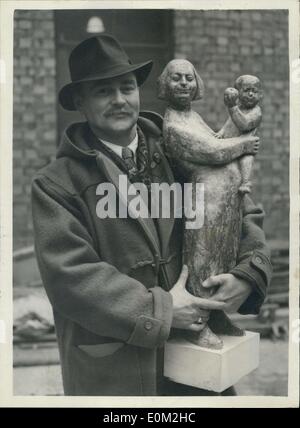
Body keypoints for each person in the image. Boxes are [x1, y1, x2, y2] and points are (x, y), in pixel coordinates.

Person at [31, 34, 272, 396]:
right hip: (117, 373)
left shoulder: (173, 144)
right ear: (79, 102)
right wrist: (161, 309)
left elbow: (240, 204)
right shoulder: (55, 183)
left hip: (197, 365)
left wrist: (249, 273)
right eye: (102, 91)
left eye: (126, 87)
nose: (119, 100)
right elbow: (70, 278)